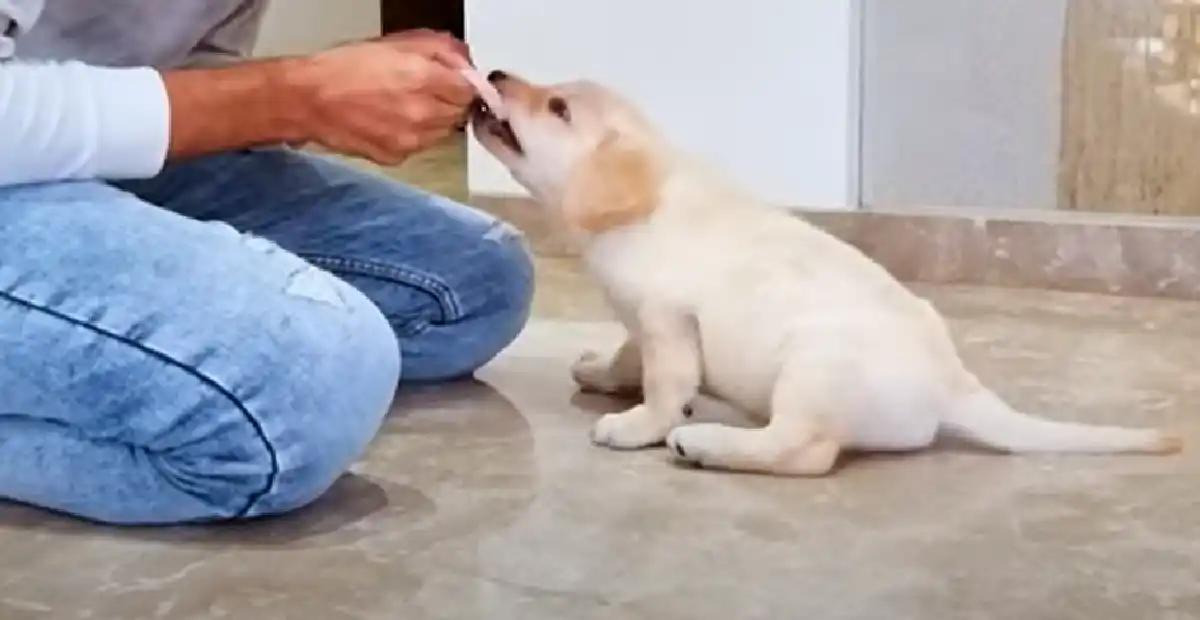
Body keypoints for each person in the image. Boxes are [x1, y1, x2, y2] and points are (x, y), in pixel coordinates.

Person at [0, 1, 534, 525]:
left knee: (472, 284)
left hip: (61, 146)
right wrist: (291, 96)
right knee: (300, 393)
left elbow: (180, 69)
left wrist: (328, 88)